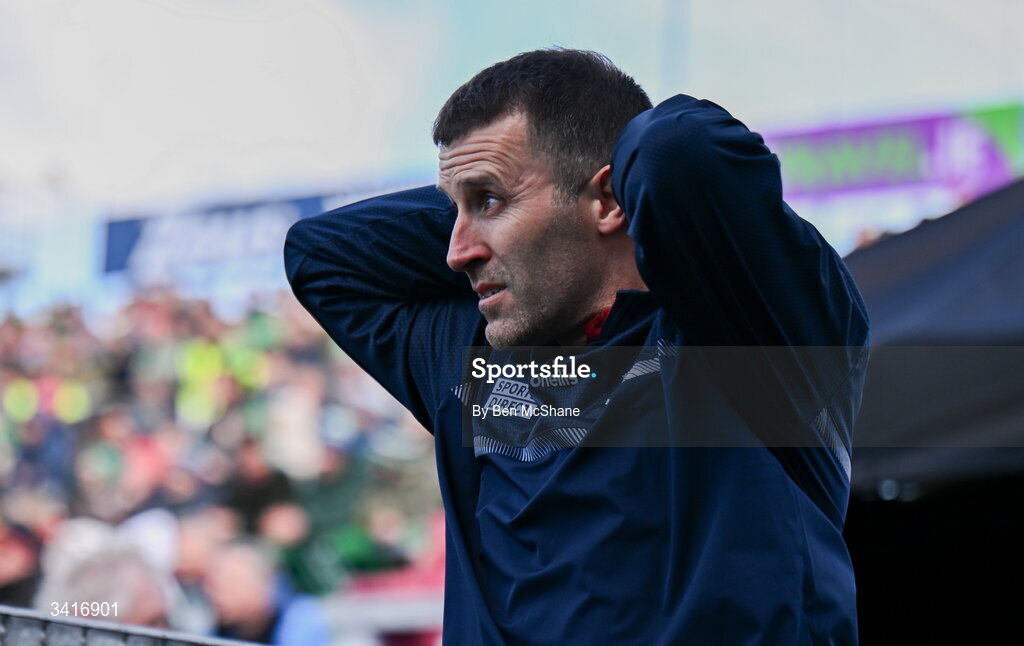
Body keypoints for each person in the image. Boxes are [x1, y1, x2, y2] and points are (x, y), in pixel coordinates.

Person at [285, 48, 869, 645]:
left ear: (612, 200)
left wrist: (559, 196)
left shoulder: (746, 337)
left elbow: (675, 150)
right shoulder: (472, 354)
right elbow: (320, 252)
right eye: (453, 208)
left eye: (487, 200)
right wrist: (496, 202)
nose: (455, 252)